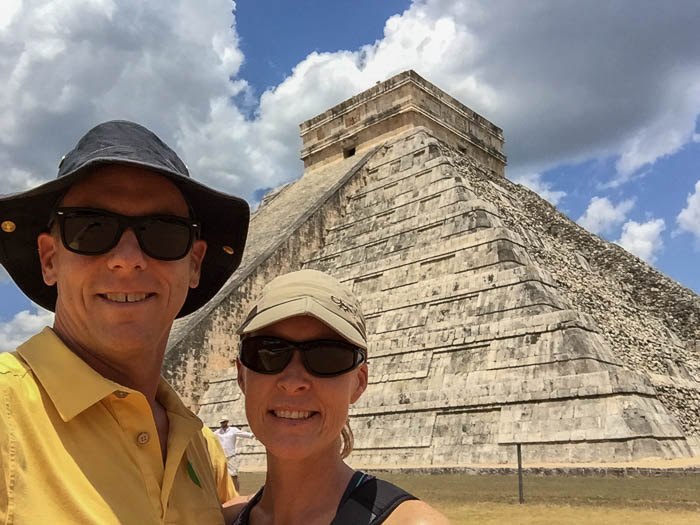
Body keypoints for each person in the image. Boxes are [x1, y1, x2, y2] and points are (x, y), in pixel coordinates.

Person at [0, 120, 250, 524]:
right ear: (50, 258)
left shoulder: (199, 449)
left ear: (194, 264)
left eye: (164, 232)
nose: (128, 257)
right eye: (91, 227)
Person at [225, 270, 449, 525]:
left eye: (327, 357)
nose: (293, 382)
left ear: (359, 383)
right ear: (242, 375)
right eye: (268, 352)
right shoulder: (217, 518)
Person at [215, 418, 255, 492]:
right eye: (221, 423)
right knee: (221, 476)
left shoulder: (233, 430)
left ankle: (236, 493)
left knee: (234, 476)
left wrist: (253, 435)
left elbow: (243, 434)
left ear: (227, 422)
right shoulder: (217, 432)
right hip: (221, 457)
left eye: (224, 422)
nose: (222, 424)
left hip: (231, 456)